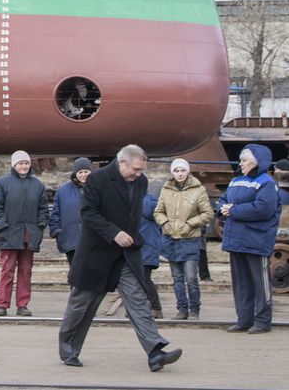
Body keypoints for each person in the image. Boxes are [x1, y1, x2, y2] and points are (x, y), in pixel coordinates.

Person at [58, 145, 182, 372]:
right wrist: (113, 232)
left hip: (126, 255)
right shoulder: (97, 179)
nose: (139, 174)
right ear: (121, 162)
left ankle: (155, 352)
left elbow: (134, 216)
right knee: (81, 305)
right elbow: (88, 213)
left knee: (138, 302)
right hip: (97, 254)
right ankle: (68, 349)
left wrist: (133, 240)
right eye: (135, 169)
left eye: (141, 170)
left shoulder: (140, 181)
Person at [217, 144, 281, 334]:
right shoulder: (236, 181)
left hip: (256, 240)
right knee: (241, 283)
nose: (241, 163)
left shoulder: (266, 183)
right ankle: (244, 319)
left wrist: (232, 210)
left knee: (260, 283)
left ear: (255, 163)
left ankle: (262, 321)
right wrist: (224, 208)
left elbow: (264, 208)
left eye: (244, 160)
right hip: (236, 240)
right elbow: (223, 199)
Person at [0, 150, 48, 316]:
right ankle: (2, 304)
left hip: (29, 235)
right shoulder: (3, 183)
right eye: (20, 163)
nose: (23, 166)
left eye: (26, 163)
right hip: (9, 234)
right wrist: (2, 226)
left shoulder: (37, 184)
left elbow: (43, 208)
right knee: (7, 270)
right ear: (14, 165)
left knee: (25, 271)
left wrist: (40, 226)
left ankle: (22, 305)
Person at [153, 159, 212, 320]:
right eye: (177, 171)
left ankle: (194, 309)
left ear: (188, 172)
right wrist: (165, 223)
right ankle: (182, 308)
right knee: (177, 277)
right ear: (172, 173)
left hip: (189, 239)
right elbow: (158, 211)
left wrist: (190, 224)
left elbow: (207, 213)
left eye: (183, 171)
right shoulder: (166, 190)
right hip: (171, 238)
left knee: (191, 277)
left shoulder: (198, 190)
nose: (180, 174)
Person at [49, 158, 91, 268]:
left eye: (86, 171)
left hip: (93, 240)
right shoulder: (63, 191)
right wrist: (56, 230)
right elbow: (56, 213)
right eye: (80, 172)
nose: (83, 175)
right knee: (75, 271)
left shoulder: (100, 188)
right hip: (71, 238)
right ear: (75, 173)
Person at [139, 185, 164, 319]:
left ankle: (155, 308)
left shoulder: (151, 202)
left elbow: (149, 211)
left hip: (147, 247)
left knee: (144, 278)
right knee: (135, 279)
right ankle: (140, 307)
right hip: (136, 248)